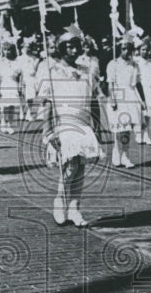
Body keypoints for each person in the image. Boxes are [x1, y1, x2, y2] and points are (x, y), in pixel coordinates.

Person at [39, 28, 103, 227]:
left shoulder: (86, 71)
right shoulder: (53, 72)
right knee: (70, 165)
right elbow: (48, 104)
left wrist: (98, 126)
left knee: (80, 166)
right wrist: (49, 132)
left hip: (83, 124)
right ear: (61, 48)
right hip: (63, 124)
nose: (74, 50)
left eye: (76, 46)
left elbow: (93, 101)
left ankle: (75, 207)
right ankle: (60, 200)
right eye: (69, 46)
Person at [103, 38, 143, 168]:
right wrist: (112, 99)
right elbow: (110, 84)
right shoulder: (113, 64)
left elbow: (136, 84)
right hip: (118, 96)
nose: (126, 52)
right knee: (117, 127)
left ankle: (125, 155)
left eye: (129, 49)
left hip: (130, 96)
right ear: (119, 50)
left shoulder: (134, 65)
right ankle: (116, 151)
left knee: (127, 129)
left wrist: (142, 101)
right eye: (124, 49)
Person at [0, 42, 24, 134]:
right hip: (4, 84)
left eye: (9, 50)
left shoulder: (17, 62)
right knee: (5, 106)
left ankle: (10, 124)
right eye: (5, 50)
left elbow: (20, 76)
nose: (7, 52)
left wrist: (20, 87)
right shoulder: (0, 62)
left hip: (13, 84)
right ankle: (4, 123)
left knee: (12, 106)